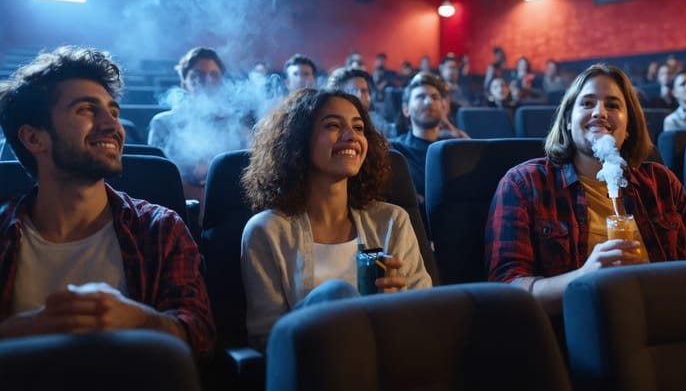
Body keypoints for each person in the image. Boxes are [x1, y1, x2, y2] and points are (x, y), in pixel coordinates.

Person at [0, 47, 214, 357]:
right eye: (86, 110)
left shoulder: (159, 227)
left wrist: (142, 321)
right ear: (34, 139)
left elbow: (201, 339)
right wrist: (27, 330)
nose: (113, 126)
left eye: (113, 111)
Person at [486, 64, 686, 313]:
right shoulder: (524, 183)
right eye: (587, 103)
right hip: (575, 330)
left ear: (628, 128)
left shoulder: (660, 181)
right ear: (566, 121)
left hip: (667, 319)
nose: (600, 112)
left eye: (613, 105)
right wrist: (583, 278)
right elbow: (507, 287)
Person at [240, 89, 432, 351]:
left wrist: (401, 303)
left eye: (358, 127)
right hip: (309, 366)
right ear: (299, 140)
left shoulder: (392, 220)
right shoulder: (266, 231)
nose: (351, 136)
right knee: (335, 294)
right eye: (333, 125)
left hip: (388, 360)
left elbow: (428, 315)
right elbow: (266, 337)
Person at [148, 47, 251, 210]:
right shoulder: (163, 123)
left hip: (225, 205)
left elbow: (246, 170)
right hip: (178, 204)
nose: (207, 80)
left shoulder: (235, 124)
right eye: (198, 75)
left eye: (214, 75)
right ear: (184, 83)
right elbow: (159, 175)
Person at [390, 73, 467, 202]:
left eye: (434, 97)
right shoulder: (396, 151)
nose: (429, 102)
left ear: (443, 107)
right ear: (406, 110)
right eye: (420, 97)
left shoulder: (456, 147)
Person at [325, 67, 394, 138]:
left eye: (364, 91)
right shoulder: (330, 126)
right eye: (352, 91)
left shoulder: (376, 122)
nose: (359, 96)